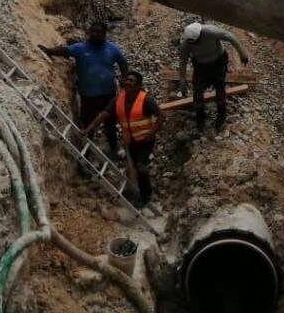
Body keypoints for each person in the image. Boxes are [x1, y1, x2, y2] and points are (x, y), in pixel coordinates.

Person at [40, 21, 130, 159]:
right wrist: (48, 51)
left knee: (110, 125)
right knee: (88, 125)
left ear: (104, 34)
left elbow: (123, 63)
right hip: (88, 96)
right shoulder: (80, 48)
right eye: (93, 31)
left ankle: (113, 151)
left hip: (109, 95)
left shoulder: (112, 48)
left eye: (99, 32)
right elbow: (65, 50)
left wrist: (125, 80)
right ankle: (87, 153)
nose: (95, 34)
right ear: (89, 32)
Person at [81, 69, 162, 209]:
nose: (128, 82)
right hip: (130, 140)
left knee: (141, 166)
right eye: (127, 80)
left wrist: (152, 132)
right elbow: (103, 115)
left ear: (138, 85)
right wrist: (88, 129)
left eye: (132, 81)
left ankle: (146, 196)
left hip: (145, 140)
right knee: (137, 166)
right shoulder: (118, 99)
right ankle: (144, 190)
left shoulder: (146, 99)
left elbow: (161, 116)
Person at [177, 22, 249, 134]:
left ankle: (221, 115)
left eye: (197, 41)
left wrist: (242, 54)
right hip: (201, 66)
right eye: (193, 43)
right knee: (197, 90)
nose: (196, 44)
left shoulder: (210, 31)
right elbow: (183, 62)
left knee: (219, 87)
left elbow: (230, 37)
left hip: (218, 62)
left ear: (200, 34)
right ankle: (200, 117)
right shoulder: (186, 44)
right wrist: (182, 81)